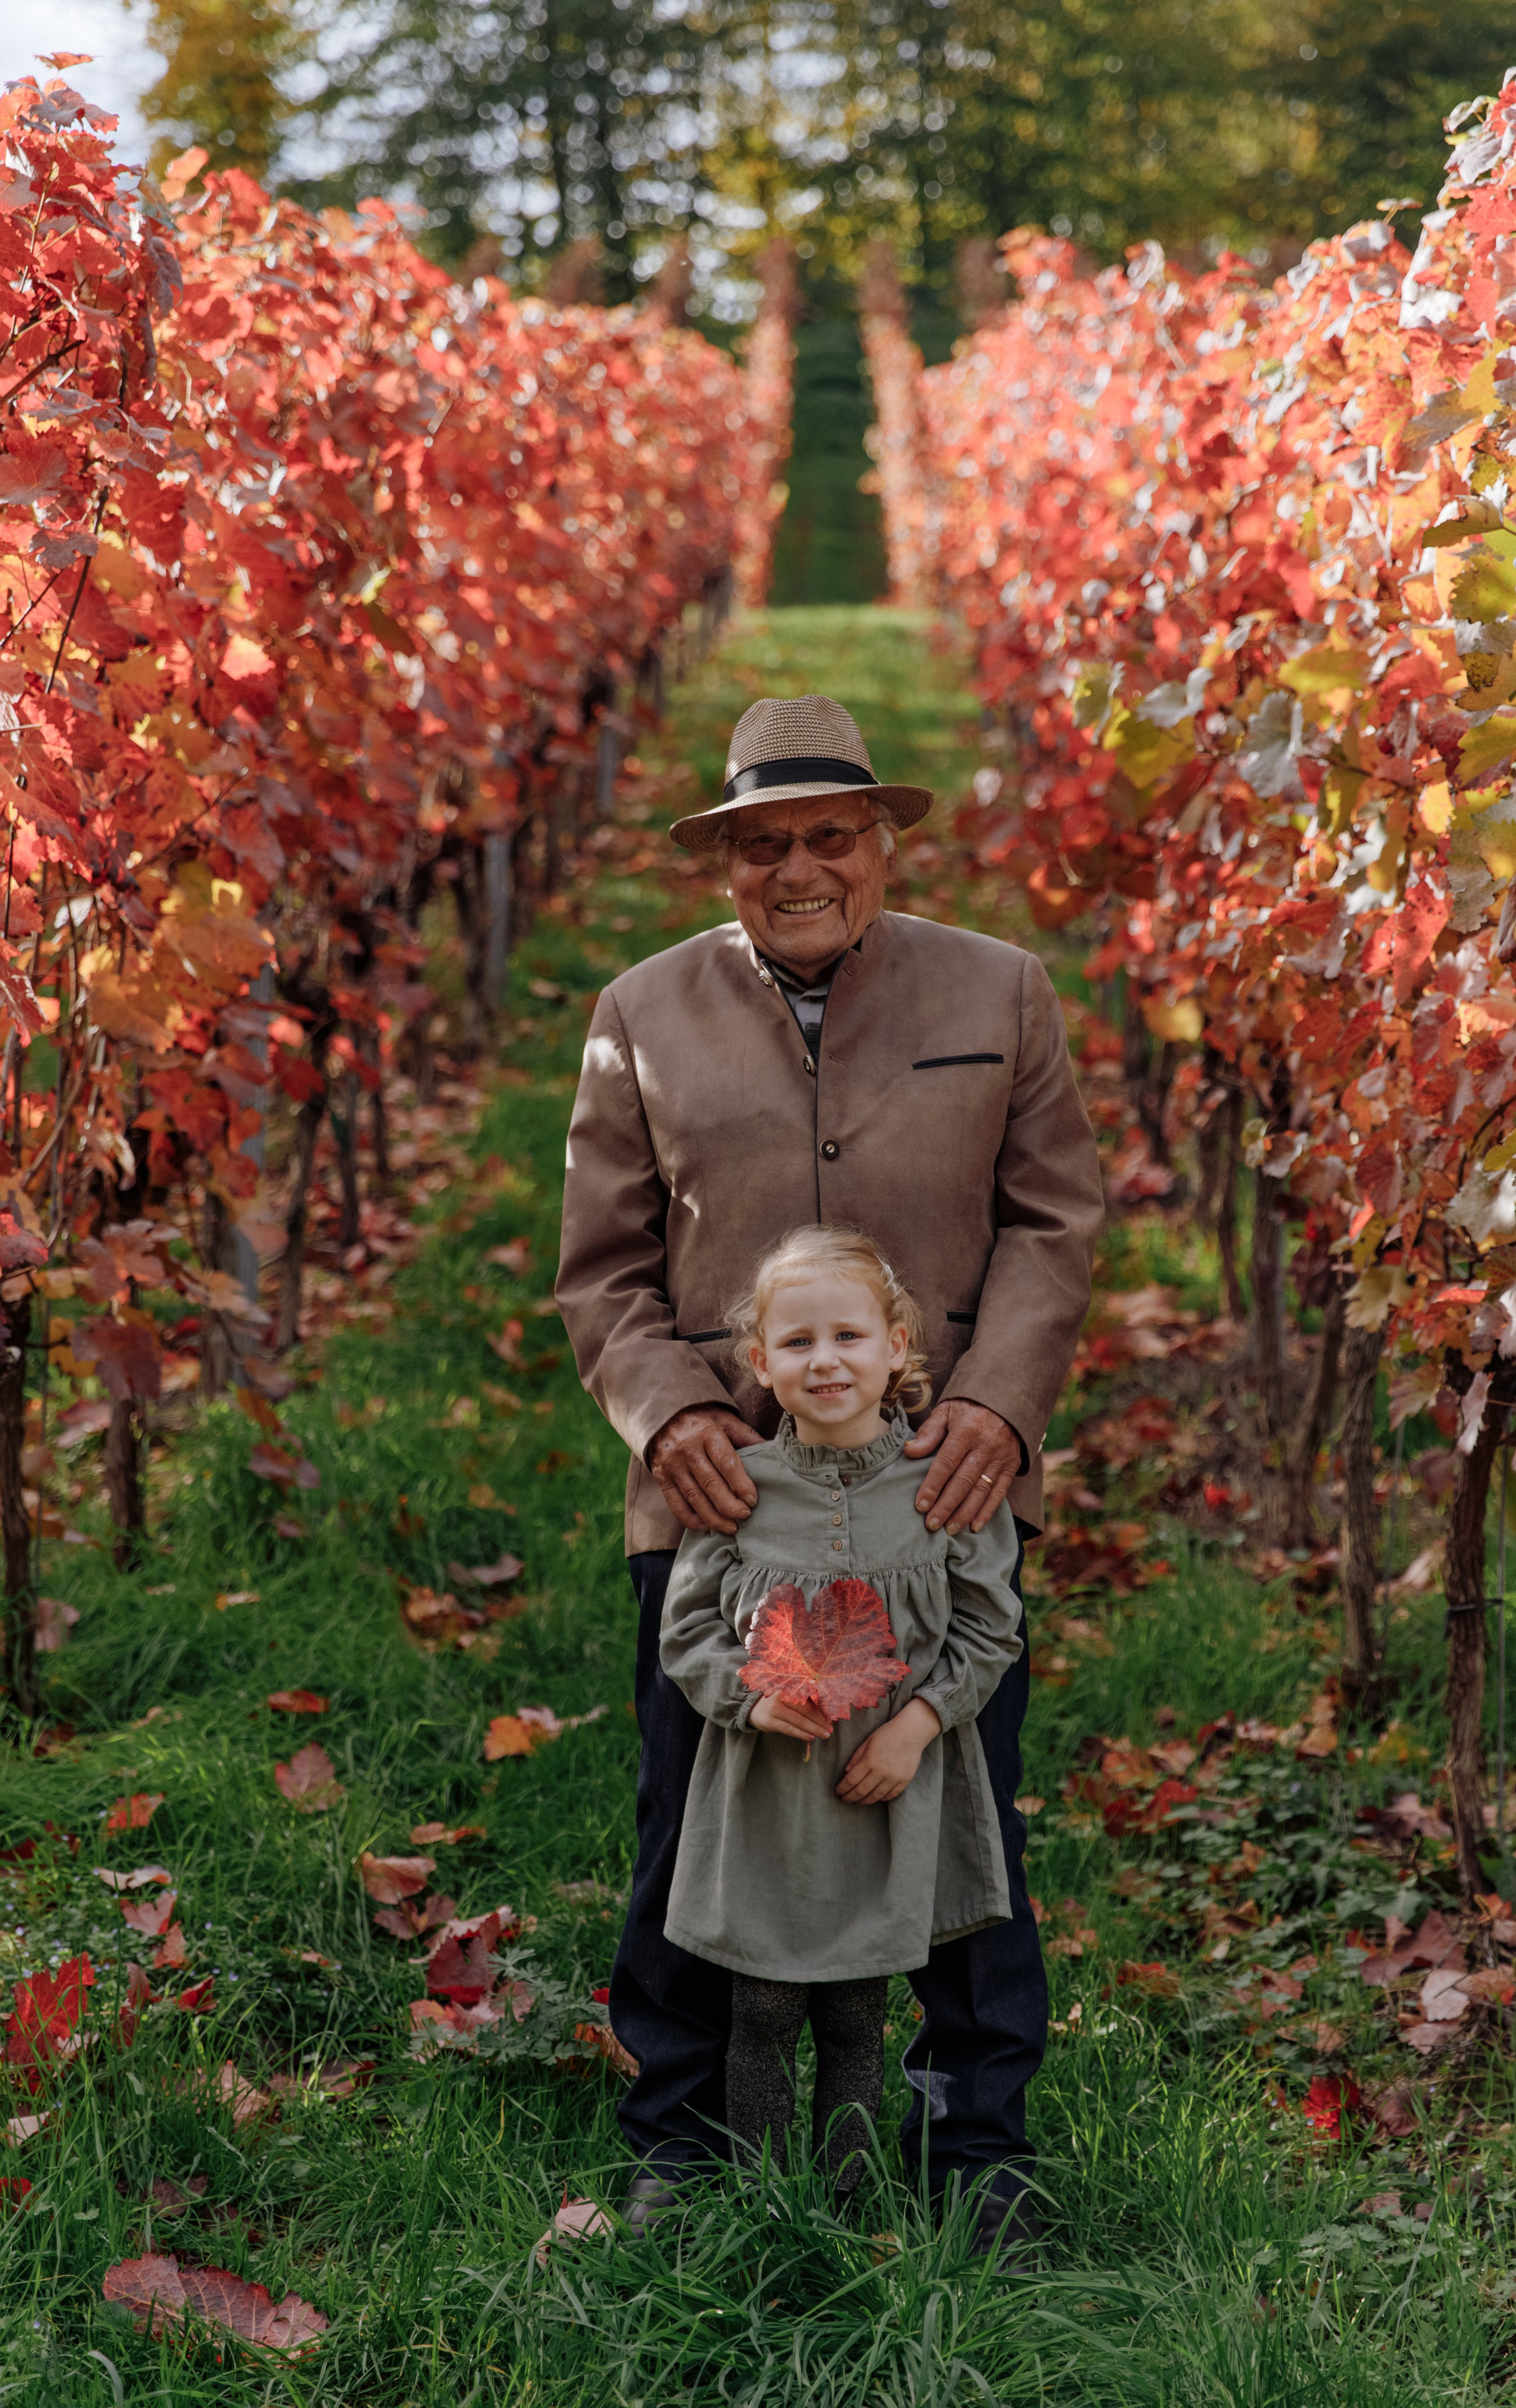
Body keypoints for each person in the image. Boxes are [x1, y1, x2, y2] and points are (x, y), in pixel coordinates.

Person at [556, 691, 1103, 2254]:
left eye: (828, 838)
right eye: (763, 846)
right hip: (725, 1502)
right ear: (725, 861)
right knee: (697, 1805)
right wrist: (670, 1419)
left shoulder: (998, 988)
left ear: (877, 842)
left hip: (939, 1492)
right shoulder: (638, 1011)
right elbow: (599, 1270)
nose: (799, 870)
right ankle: (686, 2138)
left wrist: (997, 1406)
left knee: (959, 1801)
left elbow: (1054, 1226)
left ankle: (973, 2134)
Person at [658, 1228, 1021, 2204]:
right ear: (761, 1364)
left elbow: (990, 1630)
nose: (826, 1361)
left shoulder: (943, 1486)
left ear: (899, 1347)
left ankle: (851, 2204)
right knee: (765, 2010)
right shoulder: (741, 1491)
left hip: (883, 1795)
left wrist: (917, 1728)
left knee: (859, 2013)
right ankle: (768, 2204)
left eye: (850, 1337)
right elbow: (686, 1630)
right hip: (769, 1795)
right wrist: (750, 1695)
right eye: (799, 1343)